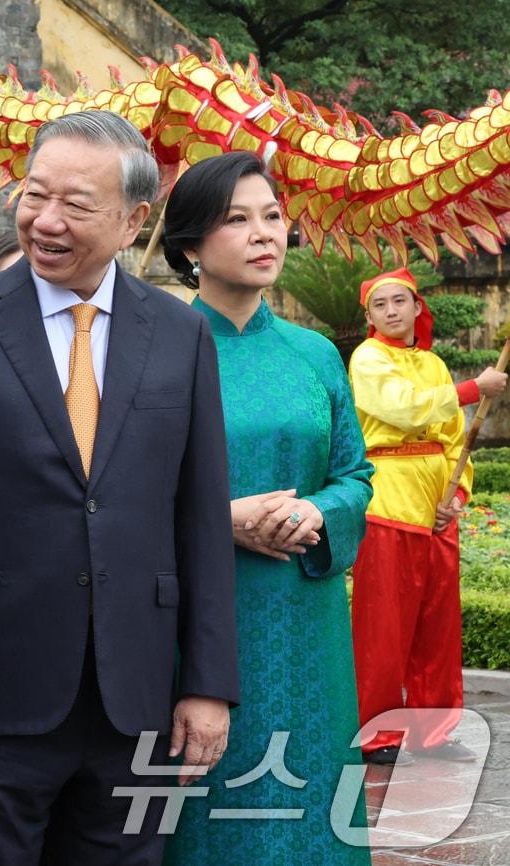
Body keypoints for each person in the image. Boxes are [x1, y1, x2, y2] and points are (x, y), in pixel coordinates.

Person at [0, 110, 239, 865]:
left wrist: (208, 686)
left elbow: (200, 520)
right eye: (34, 194)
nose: (45, 221)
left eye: (75, 205)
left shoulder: (180, 336)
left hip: (135, 698)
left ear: (133, 220)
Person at [156, 152, 375, 864]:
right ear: (190, 245)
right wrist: (219, 517)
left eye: (273, 217)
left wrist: (318, 513)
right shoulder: (154, 350)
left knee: (312, 795)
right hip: (204, 619)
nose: (264, 235)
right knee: (218, 808)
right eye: (237, 220)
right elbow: (116, 494)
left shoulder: (316, 355)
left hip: (306, 616)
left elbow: (354, 474)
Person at [348, 267, 506, 764]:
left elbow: (457, 443)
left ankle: (433, 732)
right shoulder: (368, 358)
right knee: (383, 630)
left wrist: (457, 498)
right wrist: (471, 389)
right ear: (369, 315)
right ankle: (378, 734)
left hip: (437, 514)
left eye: (400, 301)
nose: (392, 311)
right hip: (388, 508)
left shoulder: (434, 363)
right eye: (381, 305)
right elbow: (402, 410)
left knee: (438, 630)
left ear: (419, 307)